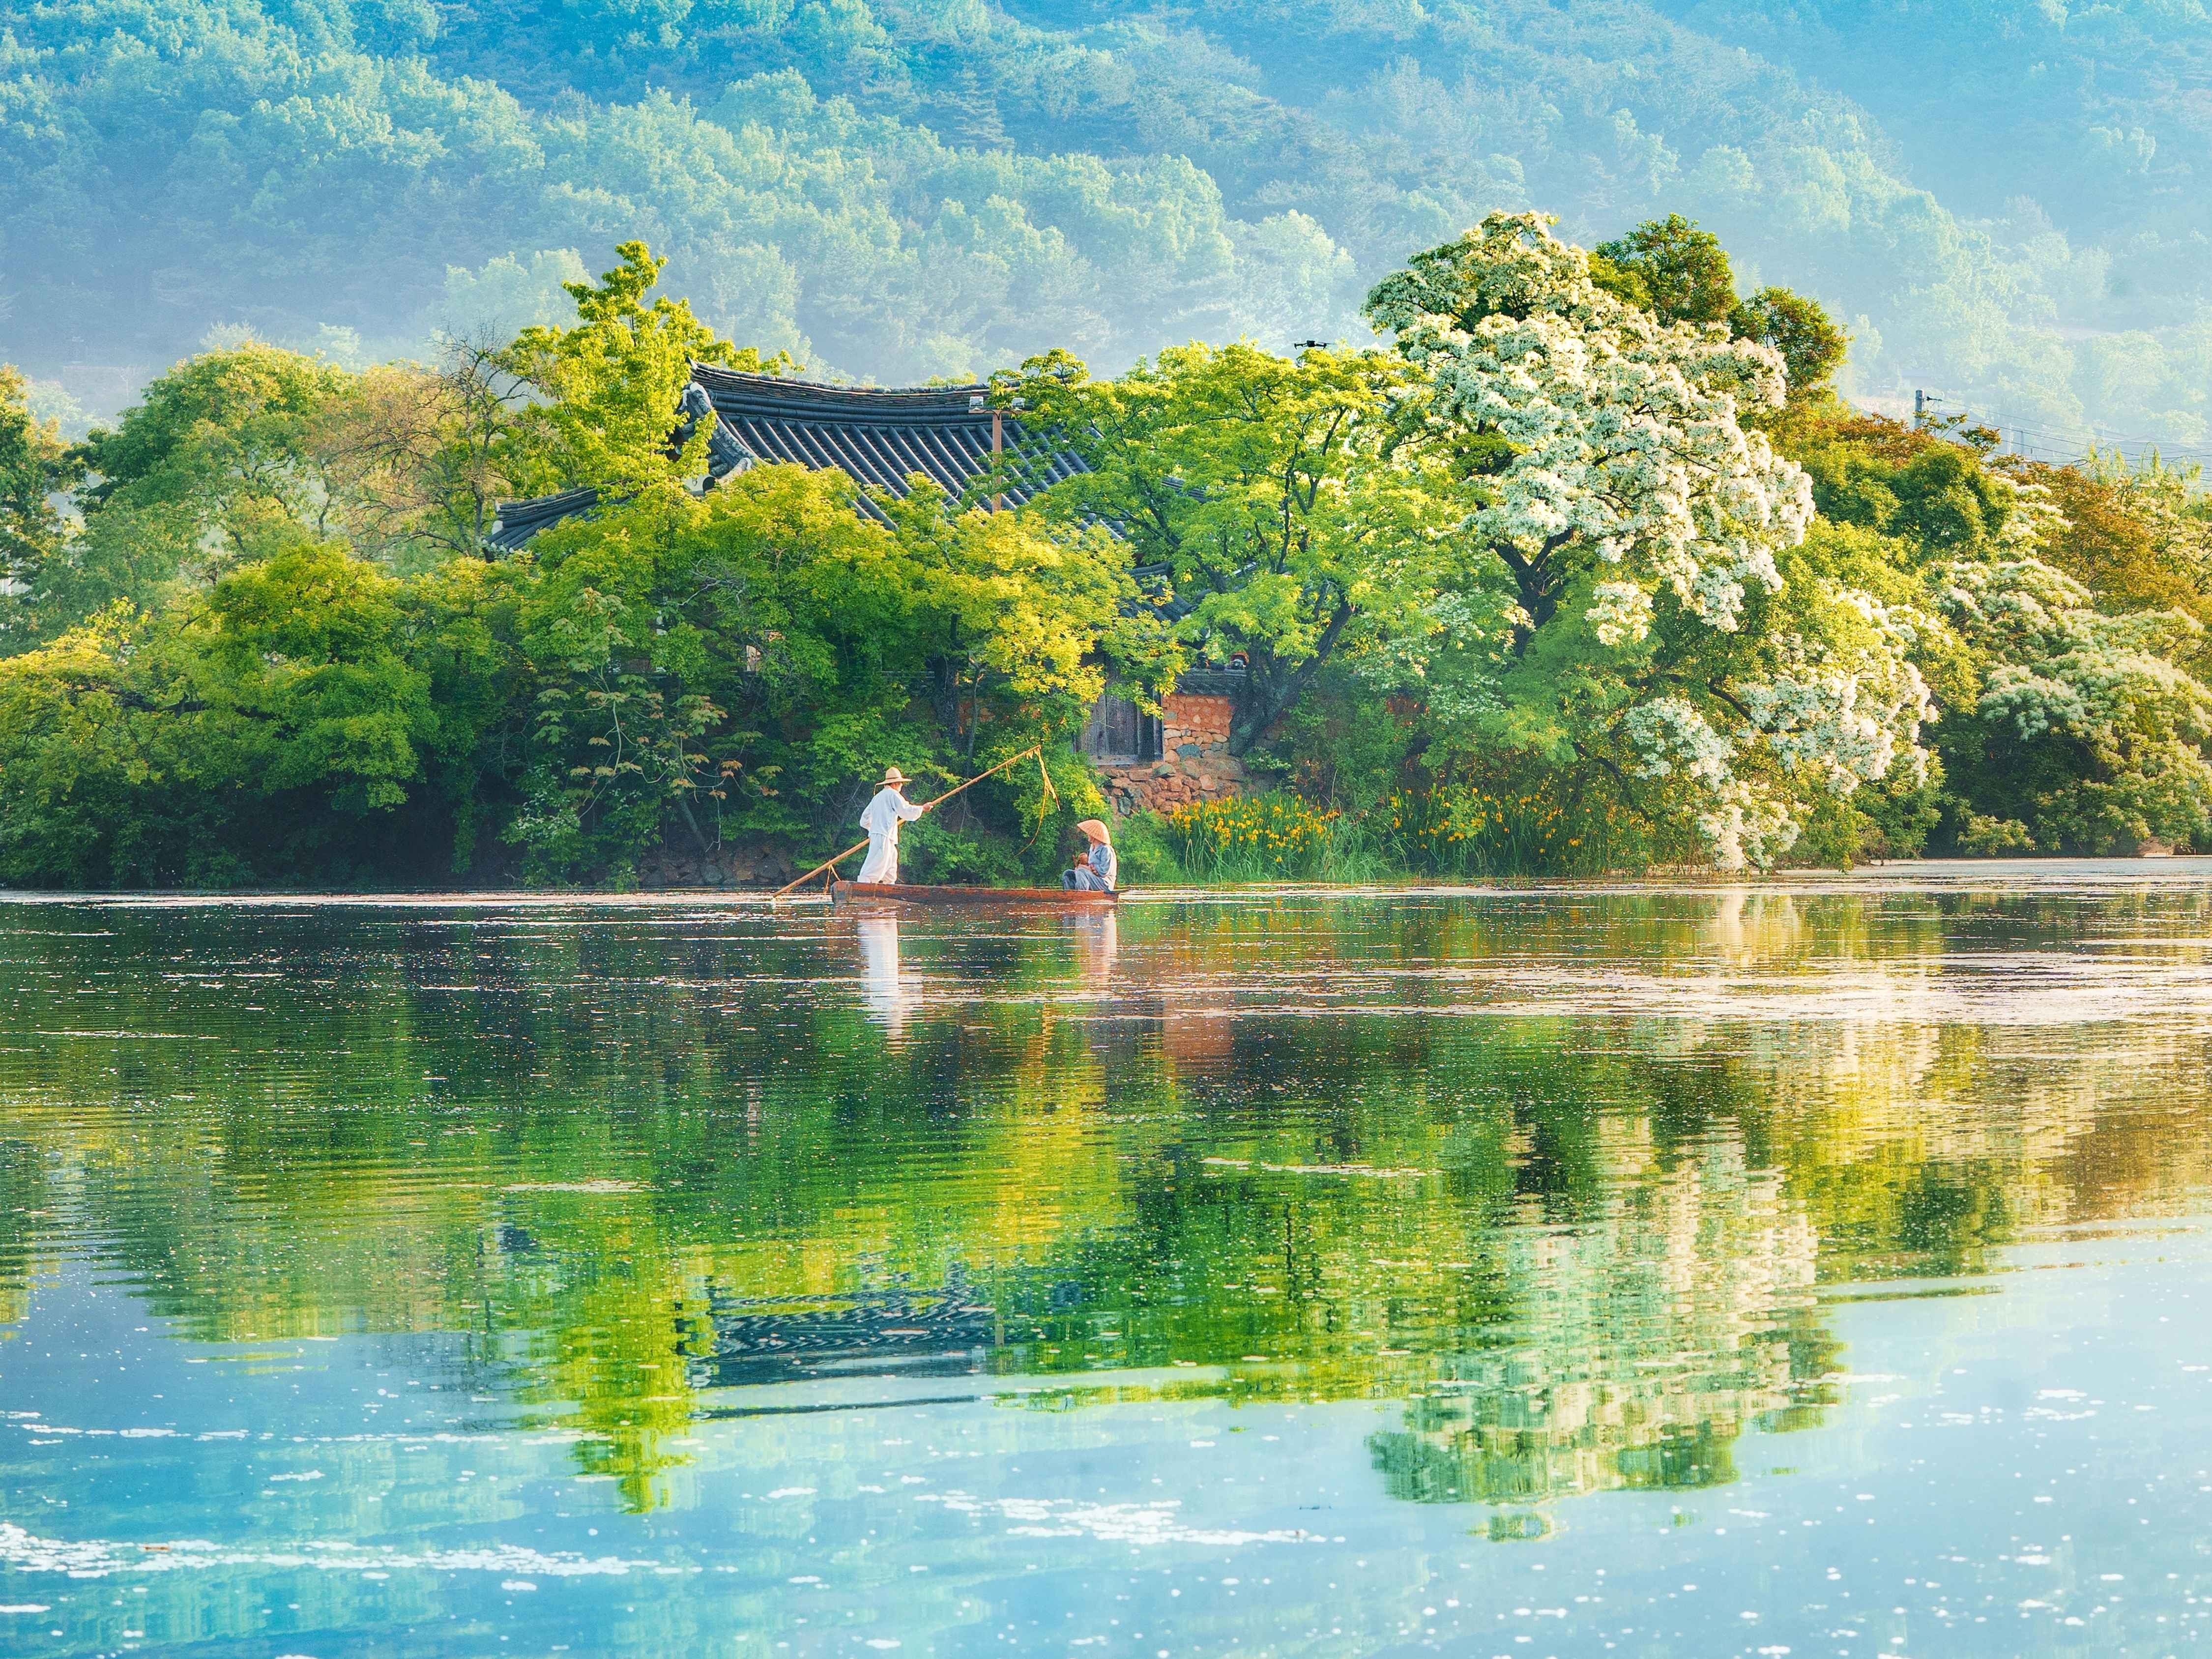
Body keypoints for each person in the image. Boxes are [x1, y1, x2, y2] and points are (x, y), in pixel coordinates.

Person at [856, 766, 928, 885]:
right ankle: (861, 889)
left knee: (891, 867)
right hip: (883, 836)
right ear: (894, 783)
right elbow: (906, 811)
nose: (901, 786)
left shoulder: (877, 798)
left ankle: (888, 889)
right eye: (900, 783)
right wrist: (922, 808)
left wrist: (874, 829)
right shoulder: (892, 794)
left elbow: (864, 820)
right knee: (874, 866)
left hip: (883, 836)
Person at [1063, 818, 1117, 891]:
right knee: (1068, 874)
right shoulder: (1092, 847)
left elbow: (1104, 871)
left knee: (1081, 871)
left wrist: (1086, 869)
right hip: (1093, 879)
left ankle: (1082, 894)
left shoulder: (1106, 849)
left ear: (1094, 835)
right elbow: (1089, 866)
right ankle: (1069, 895)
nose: (1087, 835)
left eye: (1089, 834)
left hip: (1104, 883)